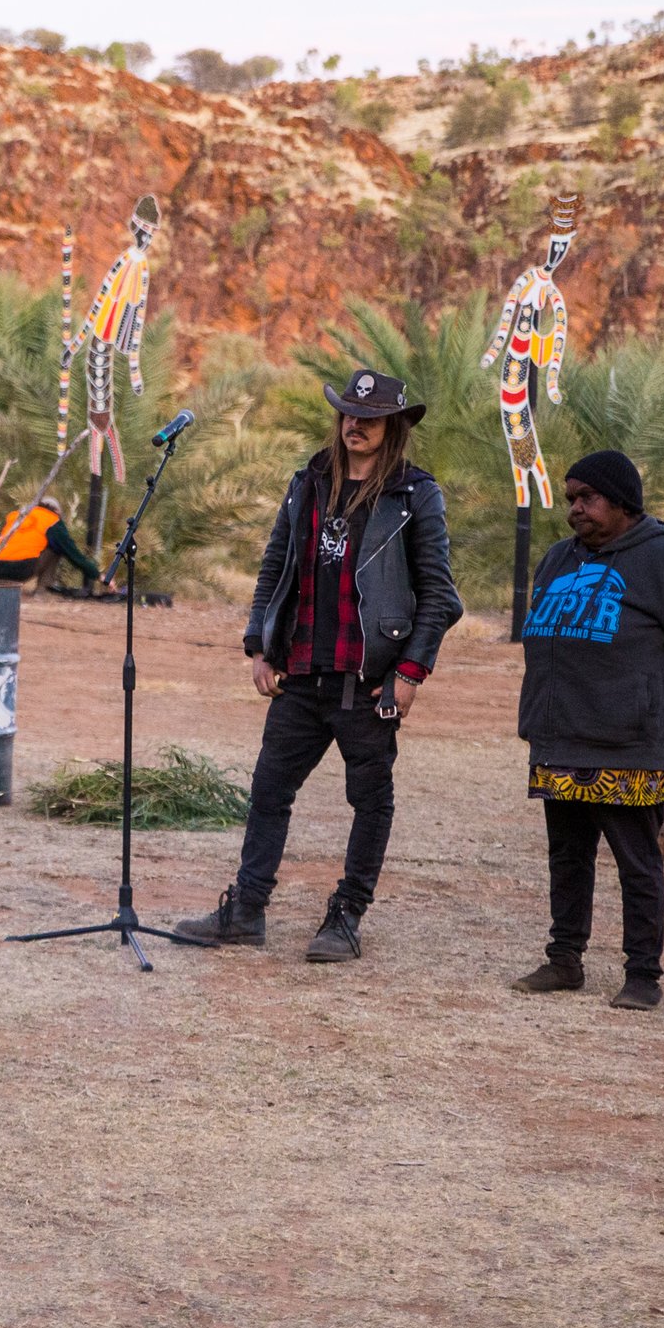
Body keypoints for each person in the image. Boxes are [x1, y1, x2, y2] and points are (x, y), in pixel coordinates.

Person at [172, 368, 462, 961]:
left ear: (394, 427)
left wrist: (410, 672)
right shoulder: (308, 482)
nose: (355, 424)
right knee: (269, 792)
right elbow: (275, 566)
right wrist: (259, 646)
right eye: (349, 413)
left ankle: (346, 915)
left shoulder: (414, 494)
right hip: (303, 671)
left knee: (370, 801)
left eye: (371, 417)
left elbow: (440, 596)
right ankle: (247, 911)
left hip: (370, 680)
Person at [510, 451, 664, 1010]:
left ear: (623, 503)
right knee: (568, 855)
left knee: (636, 861)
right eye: (571, 496)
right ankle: (564, 960)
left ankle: (643, 975)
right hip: (560, 737)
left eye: (588, 497)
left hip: (628, 743)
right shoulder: (558, 559)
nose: (574, 508)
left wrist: (649, 695)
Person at [0, 494, 104, 592]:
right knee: (57, 548)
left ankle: (2, 586)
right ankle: (43, 590)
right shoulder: (52, 520)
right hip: (22, 569)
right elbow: (73, 554)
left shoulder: (16, 515)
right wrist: (98, 575)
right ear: (56, 511)